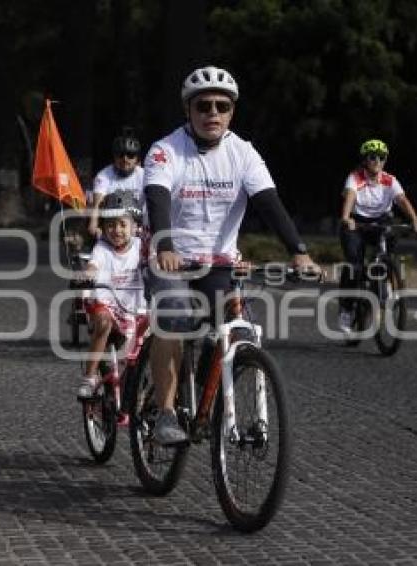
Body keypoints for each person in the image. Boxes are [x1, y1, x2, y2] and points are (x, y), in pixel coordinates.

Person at [143, 65, 319, 445]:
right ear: (188, 110)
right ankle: (166, 412)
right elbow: (156, 199)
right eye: (203, 105)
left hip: (220, 260)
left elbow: (269, 203)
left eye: (222, 106)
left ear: (232, 112)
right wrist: (165, 247)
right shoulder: (165, 150)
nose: (213, 113)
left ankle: (207, 398)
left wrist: (298, 252)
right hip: (171, 255)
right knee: (172, 318)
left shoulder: (244, 153)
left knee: (235, 330)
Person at [337, 138, 417, 333]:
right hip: (356, 223)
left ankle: (384, 281)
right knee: (354, 265)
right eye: (372, 157)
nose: (377, 161)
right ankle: (346, 308)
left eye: (382, 157)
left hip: (380, 221)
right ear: (365, 160)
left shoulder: (390, 180)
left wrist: (415, 219)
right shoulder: (355, 177)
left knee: (388, 247)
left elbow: (401, 199)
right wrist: (345, 217)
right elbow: (350, 195)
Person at [77, 190, 146, 400]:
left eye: (123, 225)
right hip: (106, 303)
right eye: (111, 225)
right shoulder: (102, 248)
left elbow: (153, 261)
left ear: (135, 226)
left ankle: (142, 389)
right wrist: (87, 273)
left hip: (135, 307)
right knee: (103, 323)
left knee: (153, 340)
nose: (117, 230)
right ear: (103, 228)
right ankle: (89, 377)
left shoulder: (141, 246)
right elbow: (93, 264)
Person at [87, 128, 145, 239]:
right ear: (114, 157)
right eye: (120, 155)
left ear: (137, 159)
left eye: (130, 155)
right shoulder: (103, 176)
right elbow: (97, 206)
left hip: (138, 229)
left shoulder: (145, 175)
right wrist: (93, 225)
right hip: (112, 230)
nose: (125, 159)